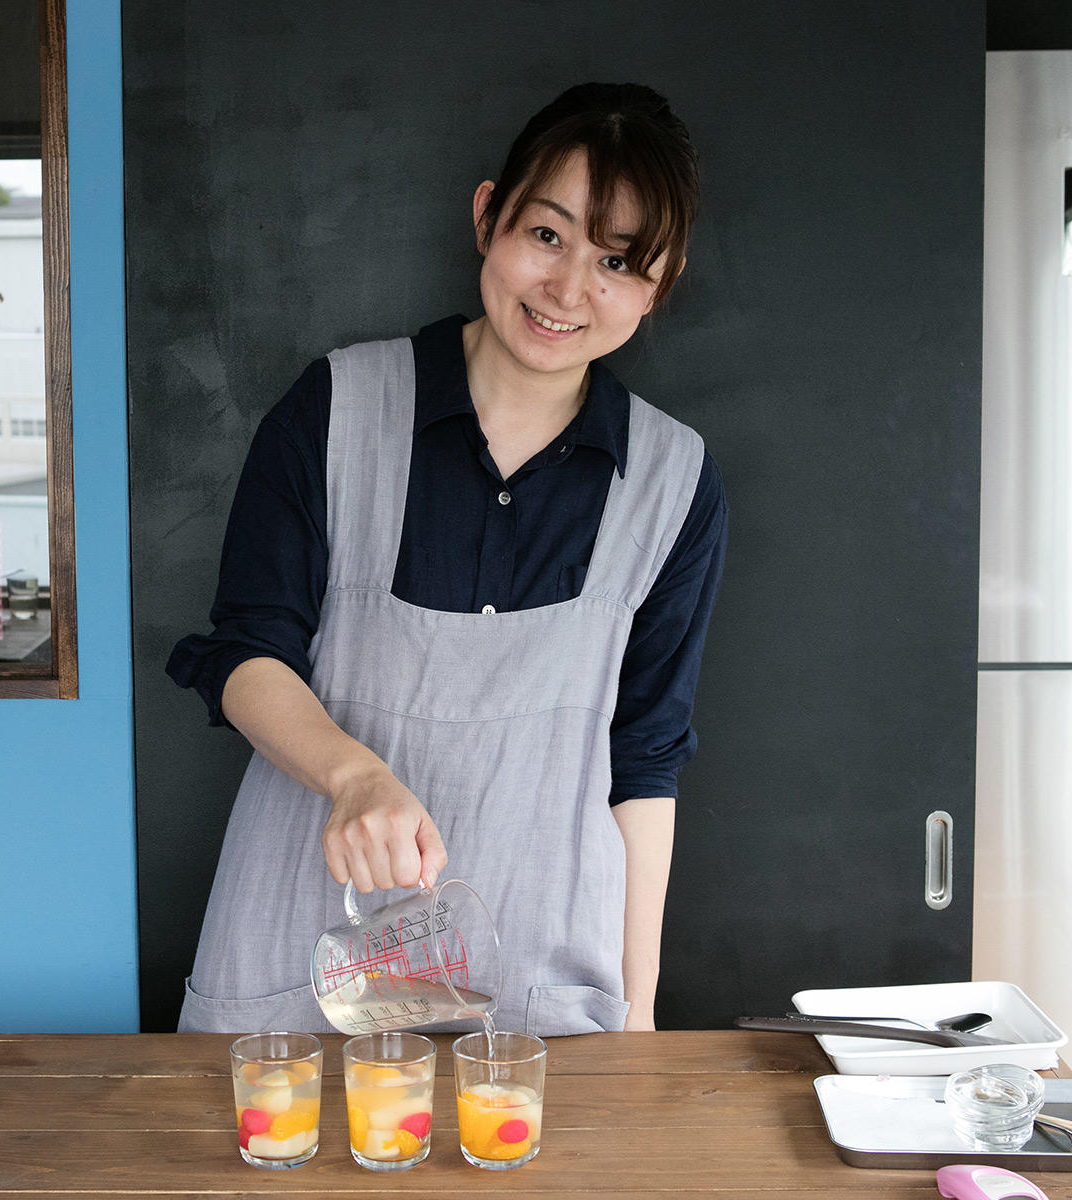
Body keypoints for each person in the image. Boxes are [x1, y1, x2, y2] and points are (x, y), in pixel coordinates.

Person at [167, 82, 727, 1036]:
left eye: (617, 262)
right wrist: (353, 775)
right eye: (546, 236)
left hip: (541, 989)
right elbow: (247, 654)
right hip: (298, 966)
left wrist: (640, 1022)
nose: (567, 290)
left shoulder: (674, 481)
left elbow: (644, 763)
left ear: (659, 283)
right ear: (487, 217)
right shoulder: (335, 409)